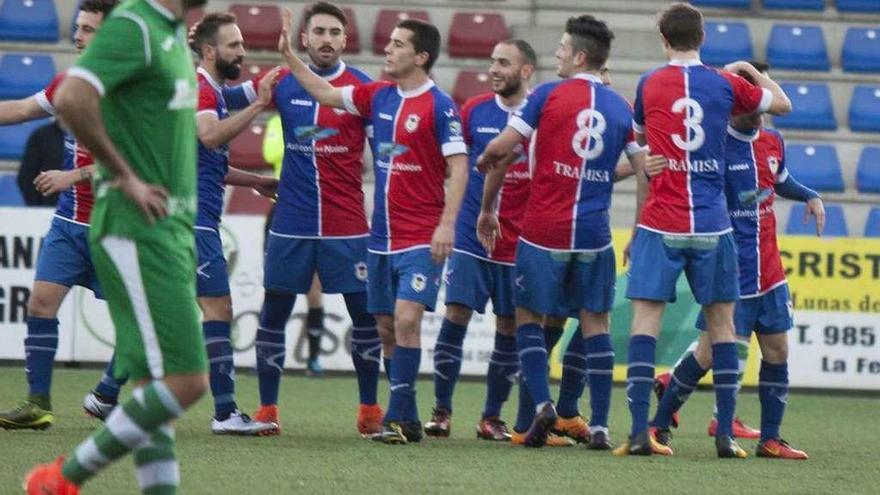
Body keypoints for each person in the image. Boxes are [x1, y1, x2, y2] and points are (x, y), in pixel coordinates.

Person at [25, 0, 211, 494]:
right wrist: (124, 176)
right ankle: (62, 479)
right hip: (137, 229)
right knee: (189, 381)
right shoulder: (135, 23)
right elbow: (73, 98)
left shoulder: (172, 33)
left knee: (155, 389)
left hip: (166, 230)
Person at [275, 9, 469, 444]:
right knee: (384, 326)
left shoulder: (439, 106)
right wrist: (290, 57)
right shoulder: (377, 95)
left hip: (421, 235)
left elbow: (459, 166)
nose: (388, 48)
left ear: (420, 56)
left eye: (398, 44)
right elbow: (325, 92)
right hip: (379, 238)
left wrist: (447, 224)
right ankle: (410, 416)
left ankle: (397, 417)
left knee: (405, 319)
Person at [616, 2, 792, 458]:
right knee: (723, 327)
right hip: (712, 225)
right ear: (703, 37)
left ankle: (640, 433)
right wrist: (748, 70)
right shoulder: (724, 83)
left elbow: (638, 139)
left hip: (662, 220)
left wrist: (654, 162)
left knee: (645, 324)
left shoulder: (651, 83)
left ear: (663, 39)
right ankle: (724, 437)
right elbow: (784, 105)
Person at [476, 15, 646, 449]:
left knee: (528, 319)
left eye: (562, 49)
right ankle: (603, 425)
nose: (557, 54)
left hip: (543, 232)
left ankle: (541, 407)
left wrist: (486, 161)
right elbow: (645, 169)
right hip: (594, 234)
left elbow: (503, 146)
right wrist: (641, 225)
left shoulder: (547, 95)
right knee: (596, 324)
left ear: (580, 56)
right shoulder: (619, 107)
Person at [650, 61, 819, 461]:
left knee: (777, 350)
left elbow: (779, 181)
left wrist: (810, 195)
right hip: (731, 270)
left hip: (770, 270)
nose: (756, 106)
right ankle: (657, 424)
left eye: (758, 95)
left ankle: (771, 439)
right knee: (708, 354)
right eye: (747, 95)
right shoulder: (712, 144)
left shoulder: (773, 142)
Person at [245, 2, 384, 436]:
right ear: (304, 39)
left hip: (347, 223)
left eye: (334, 32)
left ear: (345, 40)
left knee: (365, 315)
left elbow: (386, 154)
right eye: (318, 31)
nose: (326, 39)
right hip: (292, 220)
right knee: (274, 313)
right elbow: (224, 99)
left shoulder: (362, 88)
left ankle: (369, 410)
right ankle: (267, 409)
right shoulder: (281, 83)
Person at [0, 0, 126, 432]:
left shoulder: (129, 90)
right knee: (40, 304)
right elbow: (17, 110)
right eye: (78, 27)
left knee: (136, 321)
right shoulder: (68, 83)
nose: (78, 36)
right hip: (70, 225)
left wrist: (75, 174)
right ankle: (38, 403)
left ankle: (110, 392)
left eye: (90, 29)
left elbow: (141, 164)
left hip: (118, 227)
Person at [422, 39, 536, 443]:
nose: (494, 69)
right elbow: (454, 167)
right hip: (472, 234)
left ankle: (491, 417)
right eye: (492, 61)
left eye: (504, 62)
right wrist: (448, 220)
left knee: (509, 326)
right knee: (456, 315)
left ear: (525, 71)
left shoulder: (539, 114)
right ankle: (441, 411)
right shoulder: (473, 110)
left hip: (518, 240)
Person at [189, 11, 281, 435]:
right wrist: (262, 103)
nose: (242, 51)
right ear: (210, 51)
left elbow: (208, 161)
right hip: (193, 221)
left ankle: (106, 393)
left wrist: (255, 180)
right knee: (217, 309)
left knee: (159, 313)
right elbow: (209, 137)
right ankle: (225, 412)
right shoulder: (201, 90)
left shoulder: (216, 90)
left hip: (194, 218)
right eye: (234, 45)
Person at [262, 115, 326, 378]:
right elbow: (270, 153)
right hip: (281, 206)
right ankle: (267, 357)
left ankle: (313, 358)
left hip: (315, 208)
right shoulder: (277, 120)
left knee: (314, 287)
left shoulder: (324, 115)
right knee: (276, 284)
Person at [17, 120, 65, 206]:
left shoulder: (92, 135)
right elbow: (26, 176)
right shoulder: (41, 135)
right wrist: (37, 209)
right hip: (48, 206)